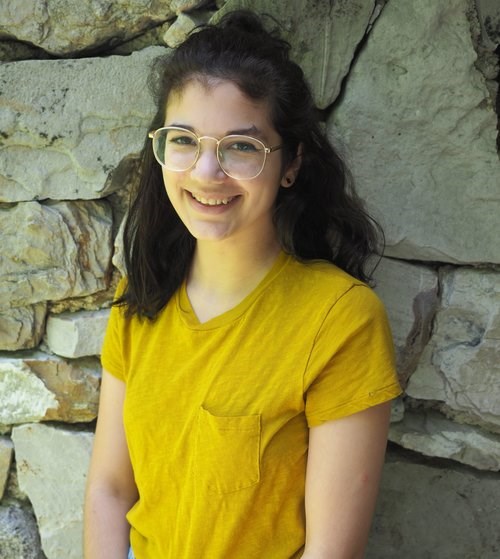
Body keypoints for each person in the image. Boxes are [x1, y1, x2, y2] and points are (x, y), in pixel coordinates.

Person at [84, 9, 401, 559]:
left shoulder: (340, 321)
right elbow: (110, 492)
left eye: (241, 147)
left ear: (291, 164)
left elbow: (329, 553)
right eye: (184, 140)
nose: (207, 173)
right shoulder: (140, 299)